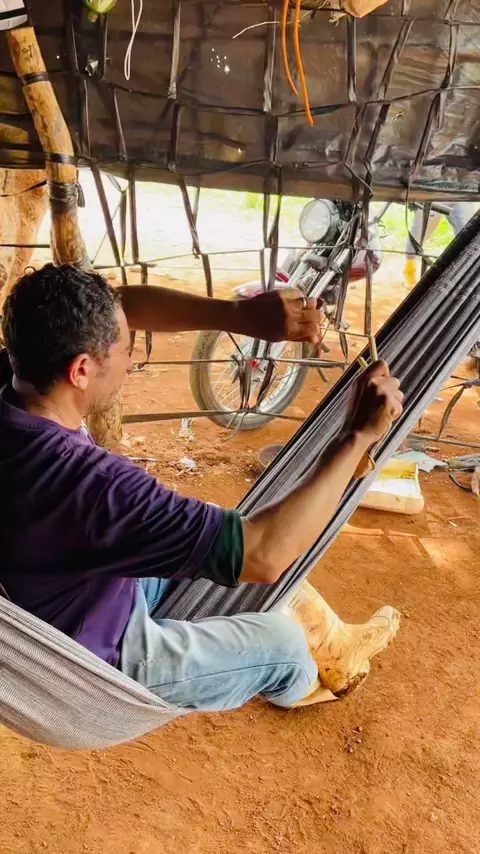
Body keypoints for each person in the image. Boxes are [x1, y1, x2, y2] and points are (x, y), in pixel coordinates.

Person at [0, 264, 403, 713]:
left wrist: (239, 316)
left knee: (241, 545)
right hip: (91, 660)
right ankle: (301, 687)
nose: (131, 363)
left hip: (70, 579)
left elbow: (123, 306)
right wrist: (355, 438)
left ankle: (339, 643)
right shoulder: (96, 487)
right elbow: (264, 555)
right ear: (80, 370)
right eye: (127, 350)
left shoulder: (23, 371)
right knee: (284, 643)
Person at [403, 201, 479, 288]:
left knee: (469, 233)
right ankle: (410, 269)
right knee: (419, 233)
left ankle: (465, 276)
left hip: (463, 196)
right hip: (432, 196)